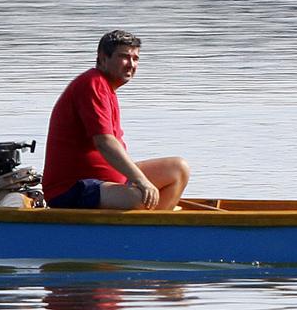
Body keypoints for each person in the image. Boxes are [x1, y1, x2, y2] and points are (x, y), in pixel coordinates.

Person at [42, 29, 190, 210]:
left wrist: (137, 181)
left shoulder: (106, 88)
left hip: (107, 184)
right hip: (73, 189)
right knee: (140, 199)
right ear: (103, 58)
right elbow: (105, 142)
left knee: (178, 169)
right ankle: (150, 225)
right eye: (124, 57)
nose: (131, 64)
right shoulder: (93, 83)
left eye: (136, 59)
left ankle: (154, 228)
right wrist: (142, 181)